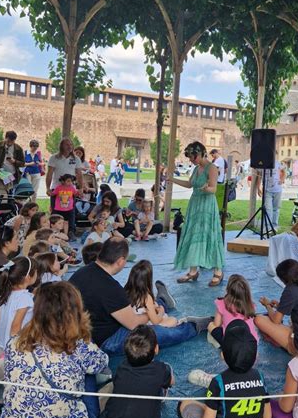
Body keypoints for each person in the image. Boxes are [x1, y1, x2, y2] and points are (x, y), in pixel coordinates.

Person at [0, 281, 109, 418]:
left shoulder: (14, 343)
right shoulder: (78, 347)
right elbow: (102, 362)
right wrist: (86, 338)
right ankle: (102, 397)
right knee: (90, 371)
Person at [70, 238, 209, 354]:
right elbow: (133, 324)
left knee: (143, 304)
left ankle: (163, 301)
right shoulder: (111, 288)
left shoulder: (80, 273)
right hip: (107, 340)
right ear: (120, 261)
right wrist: (150, 314)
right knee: (161, 333)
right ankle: (192, 326)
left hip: (85, 332)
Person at [179, 320, 271, 418]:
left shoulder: (218, 383)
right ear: (255, 356)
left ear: (223, 356)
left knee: (184, 403)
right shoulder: (260, 377)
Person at [103, 325, 173, 418]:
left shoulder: (122, 367)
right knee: (165, 378)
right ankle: (161, 394)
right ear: (156, 349)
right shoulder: (161, 369)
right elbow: (172, 382)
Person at [171, 142, 224, 286]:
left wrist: (207, 188)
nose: (191, 160)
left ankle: (218, 271)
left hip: (207, 205)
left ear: (200, 153)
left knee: (210, 235)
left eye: (193, 157)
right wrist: (172, 180)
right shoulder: (196, 169)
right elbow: (190, 184)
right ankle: (193, 271)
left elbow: (213, 189)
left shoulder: (211, 168)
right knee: (193, 234)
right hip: (195, 205)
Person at [0, 257, 38, 361]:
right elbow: (15, 327)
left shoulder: (7, 293)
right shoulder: (25, 298)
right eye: (36, 272)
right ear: (28, 277)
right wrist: (17, 349)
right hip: (13, 351)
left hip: (0, 347)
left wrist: (0, 338)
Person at [124, 260, 178, 329]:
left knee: (156, 304)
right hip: (146, 326)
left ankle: (163, 299)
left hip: (134, 322)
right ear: (148, 280)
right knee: (173, 320)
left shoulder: (126, 290)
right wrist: (161, 311)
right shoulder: (146, 297)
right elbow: (156, 322)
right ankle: (164, 300)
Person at [207, 274, 258, 347]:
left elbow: (216, 324)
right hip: (251, 343)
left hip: (231, 343)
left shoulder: (222, 303)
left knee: (210, 325)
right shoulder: (251, 305)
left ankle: (225, 349)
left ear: (227, 289)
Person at [46, 138, 84, 207]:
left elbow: (79, 175)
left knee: (70, 212)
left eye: (71, 144)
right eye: (67, 145)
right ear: (61, 146)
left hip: (71, 189)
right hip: (56, 189)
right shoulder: (54, 158)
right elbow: (49, 174)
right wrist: (48, 188)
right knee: (55, 212)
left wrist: (81, 188)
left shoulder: (76, 159)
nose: (69, 146)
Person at [50, 174, 79, 239]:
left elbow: (75, 194)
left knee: (66, 222)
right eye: (68, 181)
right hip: (58, 209)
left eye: (71, 181)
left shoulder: (72, 188)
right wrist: (49, 192)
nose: (70, 183)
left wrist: (79, 192)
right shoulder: (58, 188)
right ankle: (55, 234)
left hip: (69, 209)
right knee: (57, 222)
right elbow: (53, 194)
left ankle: (65, 236)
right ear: (63, 181)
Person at [258, 160, 285, 229]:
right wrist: (258, 187)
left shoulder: (278, 163)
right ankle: (267, 227)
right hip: (267, 190)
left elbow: (283, 172)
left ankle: (274, 226)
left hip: (277, 190)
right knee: (268, 209)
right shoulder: (263, 164)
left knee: (276, 208)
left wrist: (282, 180)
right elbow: (259, 175)